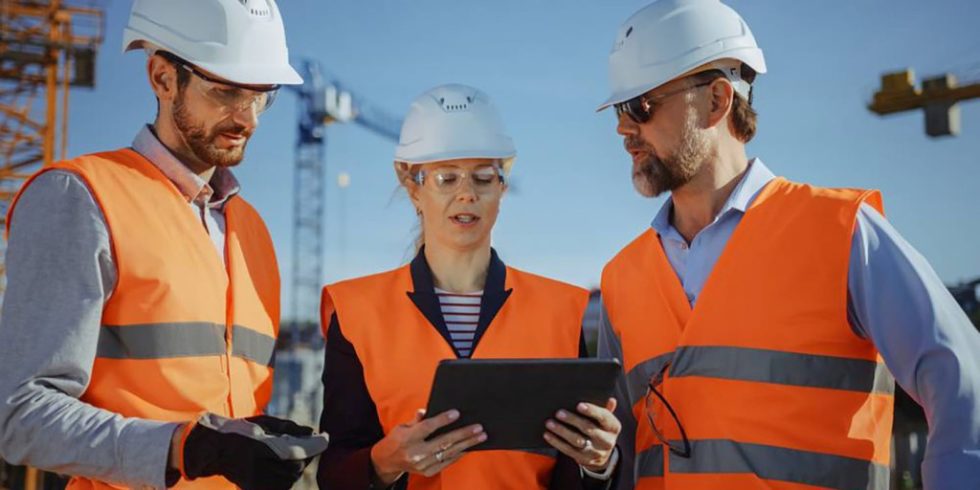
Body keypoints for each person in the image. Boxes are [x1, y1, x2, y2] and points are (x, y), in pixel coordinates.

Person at [594, 1, 980, 489]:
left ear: (716, 101)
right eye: (619, 112)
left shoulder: (841, 231)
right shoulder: (621, 278)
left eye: (640, 107)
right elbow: (621, 457)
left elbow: (964, 383)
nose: (624, 129)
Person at [0, 1, 327, 488]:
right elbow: (20, 417)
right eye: (227, 90)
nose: (249, 117)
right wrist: (181, 449)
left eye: (262, 95)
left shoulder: (252, 230)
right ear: (162, 77)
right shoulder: (81, 198)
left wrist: (254, 438)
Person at [317, 84, 622, 489]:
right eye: (446, 178)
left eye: (482, 178)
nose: (466, 194)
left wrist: (599, 463)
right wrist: (385, 461)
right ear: (413, 189)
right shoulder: (358, 312)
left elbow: (571, 475)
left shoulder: (559, 310)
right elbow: (334, 474)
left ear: (502, 190)